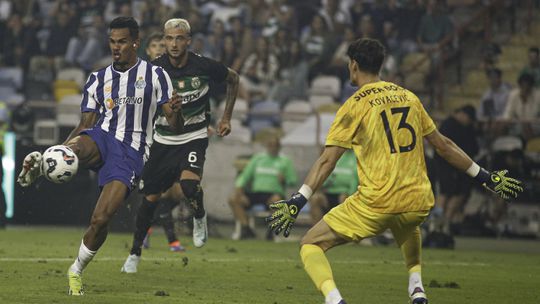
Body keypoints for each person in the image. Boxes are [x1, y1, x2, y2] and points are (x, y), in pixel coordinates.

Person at [267, 38, 523, 304]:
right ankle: (417, 288)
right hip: (419, 201)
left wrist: (298, 200)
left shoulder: (354, 105)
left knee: (310, 244)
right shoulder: (409, 97)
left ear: (353, 66)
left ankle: (334, 300)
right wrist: (486, 177)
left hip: (376, 205)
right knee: (406, 221)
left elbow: (327, 161)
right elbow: (444, 146)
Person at [16, 17, 183, 295]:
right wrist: (62, 148)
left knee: (101, 219)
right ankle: (45, 162)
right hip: (102, 137)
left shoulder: (155, 76)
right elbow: (85, 126)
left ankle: (76, 269)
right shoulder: (98, 79)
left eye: (121, 42)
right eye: (112, 42)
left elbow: (175, 125)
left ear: (135, 43)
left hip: (132, 151)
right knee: (78, 147)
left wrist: (176, 111)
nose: (115, 48)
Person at [121, 18, 239, 273]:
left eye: (179, 38)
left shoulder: (203, 65)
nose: (173, 44)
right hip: (163, 140)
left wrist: (226, 116)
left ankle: (199, 216)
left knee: (188, 185)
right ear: (164, 40)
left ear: (188, 40)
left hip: (194, 135)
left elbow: (234, 79)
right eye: (169, 38)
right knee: (149, 201)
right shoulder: (154, 70)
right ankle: (135, 253)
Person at [228, 136, 297, 239]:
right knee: (233, 199)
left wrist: (285, 179)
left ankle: (271, 232)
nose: (273, 148)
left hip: (274, 194)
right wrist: (239, 188)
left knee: (277, 201)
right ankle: (246, 228)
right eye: (270, 145)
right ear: (267, 146)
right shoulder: (258, 159)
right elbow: (244, 176)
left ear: (279, 147)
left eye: (275, 145)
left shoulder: (285, 161)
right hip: (255, 193)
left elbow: (293, 181)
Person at [433, 105, 479, 234]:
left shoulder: (467, 128)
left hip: (460, 167)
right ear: (463, 114)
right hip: (445, 165)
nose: (469, 121)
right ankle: (437, 223)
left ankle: (445, 222)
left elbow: (474, 148)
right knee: (444, 193)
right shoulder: (449, 125)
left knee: (458, 193)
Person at [309, 149, 358, 224]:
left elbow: (355, 181)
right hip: (329, 193)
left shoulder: (357, 158)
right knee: (315, 199)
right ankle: (317, 230)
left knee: (344, 199)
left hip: (345, 195)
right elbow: (323, 178)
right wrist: (320, 191)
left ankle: (341, 231)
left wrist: (349, 194)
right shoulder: (334, 156)